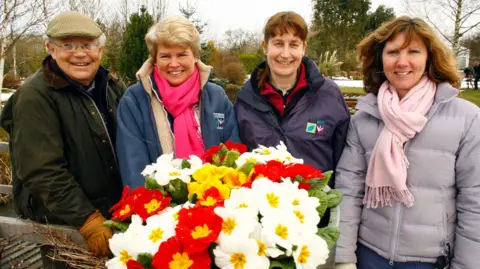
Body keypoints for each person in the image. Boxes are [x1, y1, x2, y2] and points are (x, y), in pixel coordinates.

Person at [334, 16, 480, 269]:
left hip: (432, 260)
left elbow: (475, 200)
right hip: (369, 255)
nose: (402, 62)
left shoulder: (466, 118)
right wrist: (344, 257)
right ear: (380, 59)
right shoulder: (365, 118)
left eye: (413, 51)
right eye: (393, 52)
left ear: (429, 58)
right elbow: (348, 191)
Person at [0, 11, 125, 263]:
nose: (79, 53)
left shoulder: (111, 85)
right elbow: (41, 170)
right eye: (67, 45)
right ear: (50, 48)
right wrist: (86, 218)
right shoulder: (35, 96)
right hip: (66, 219)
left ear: (100, 50)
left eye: (87, 45)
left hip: (113, 210)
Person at [116, 16, 240, 188]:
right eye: (165, 56)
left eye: (181, 54)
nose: (174, 64)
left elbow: (234, 154)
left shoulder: (216, 96)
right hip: (159, 208)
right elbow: (133, 166)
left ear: (195, 56)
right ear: (154, 59)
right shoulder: (134, 100)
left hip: (214, 200)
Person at [234, 11, 350, 187]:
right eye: (278, 44)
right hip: (261, 208)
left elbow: (345, 160)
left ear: (304, 48)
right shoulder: (246, 99)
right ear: (265, 47)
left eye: (294, 45)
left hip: (317, 208)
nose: (285, 54)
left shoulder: (329, 95)